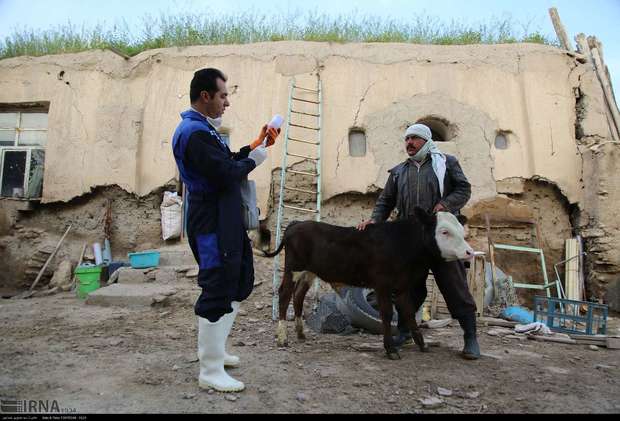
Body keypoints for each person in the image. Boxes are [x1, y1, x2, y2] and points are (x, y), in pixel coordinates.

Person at [172, 68, 280, 392]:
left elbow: (227, 159)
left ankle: (217, 352)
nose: (227, 102)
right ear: (205, 96)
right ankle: (210, 369)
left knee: (237, 280)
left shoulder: (204, 130)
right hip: (211, 221)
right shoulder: (193, 133)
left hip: (225, 218)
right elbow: (223, 173)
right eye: (223, 95)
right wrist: (256, 160)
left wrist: (255, 145)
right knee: (217, 286)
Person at [357, 123, 480, 360]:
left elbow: (464, 189)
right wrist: (375, 220)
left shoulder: (447, 163)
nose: (409, 143)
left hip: (441, 238)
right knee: (407, 287)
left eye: (414, 138)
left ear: (426, 140)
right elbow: (385, 201)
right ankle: (404, 331)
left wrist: (446, 204)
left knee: (454, 284)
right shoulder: (398, 172)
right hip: (410, 242)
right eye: (406, 139)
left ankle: (470, 337)